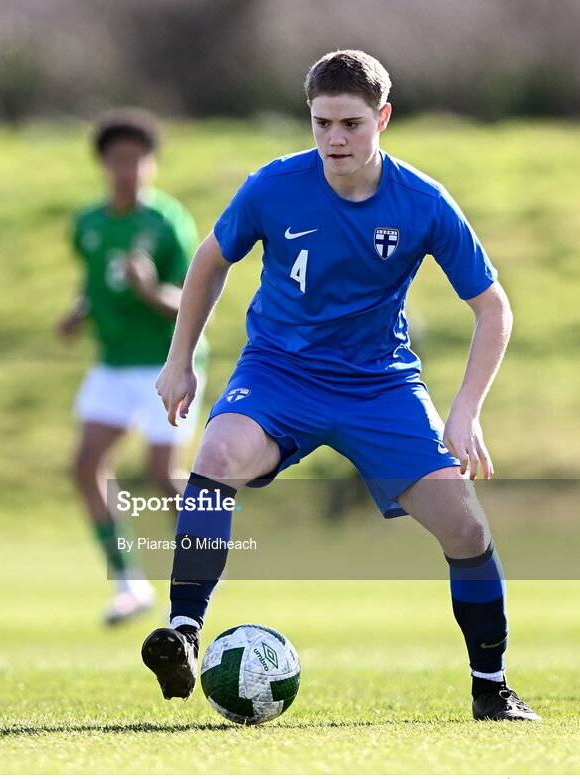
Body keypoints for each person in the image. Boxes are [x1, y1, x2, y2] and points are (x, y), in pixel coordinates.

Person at [140, 51, 540, 721]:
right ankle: (182, 631)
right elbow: (210, 259)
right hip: (278, 373)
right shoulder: (272, 187)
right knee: (214, 458)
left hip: (378, 386)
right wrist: (180, 357)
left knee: (466, 531)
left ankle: (491, 689)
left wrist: (464, 410)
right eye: (321, 123)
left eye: (350, 124)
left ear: (382, 118)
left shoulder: (421, 202)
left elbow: (492, 306)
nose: (333, 139)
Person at [58, 109, 205, 626]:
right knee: (84, 466)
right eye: (118, 159)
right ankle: (128, 583)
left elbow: (191, 299)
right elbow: (96, 282)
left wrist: (149, 291)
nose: (128, 169)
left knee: (163, 476)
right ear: (102, 164)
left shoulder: (167, 222)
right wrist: (78, 312)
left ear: (153, 164)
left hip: (169, 364)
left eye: (138, 159)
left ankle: (207, 550)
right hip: (114, 363)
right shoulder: (87, 224)